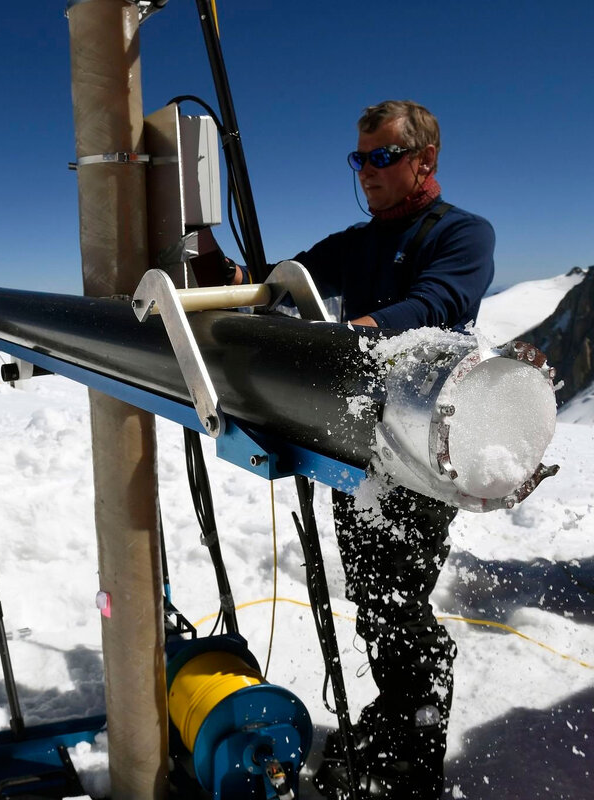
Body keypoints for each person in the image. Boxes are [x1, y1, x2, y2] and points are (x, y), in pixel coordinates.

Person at [231, 100, 493, 798]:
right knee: (376, 595)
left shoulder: (463, 234)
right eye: (360, 159)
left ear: (423, 160)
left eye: (381, 158)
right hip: (362, 447)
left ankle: (411, 759)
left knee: (399, 600)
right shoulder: (358, 240)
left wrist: (351, 336)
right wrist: (240, 281)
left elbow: (436, 303)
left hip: (422, 446)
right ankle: (393, 722)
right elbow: (293, 279)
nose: (367, 172)